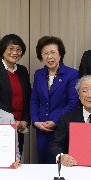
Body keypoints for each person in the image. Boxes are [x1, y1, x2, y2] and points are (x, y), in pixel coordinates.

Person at [30, 36, 79, 164]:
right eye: (45, 53)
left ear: (60, 54)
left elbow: (73, 103)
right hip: (41, 127)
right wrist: (35, 121)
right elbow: (34, 100)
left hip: (60, 128)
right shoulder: (38, 74)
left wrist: (55, 121)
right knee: (43, 164)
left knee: (60, 164)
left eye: (53, 52)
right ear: (41, 56)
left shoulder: (72, 74)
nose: (49, 57)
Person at [0, 34, 31, 156]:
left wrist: (25, 120)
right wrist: (10, 120)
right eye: (11, 49)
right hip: (0, 125)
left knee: (17, 157)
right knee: (0, 159)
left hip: (20, 125)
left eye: (18, 49)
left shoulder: (22, 71)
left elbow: (27, 97)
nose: (15, 52)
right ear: (3, 50)